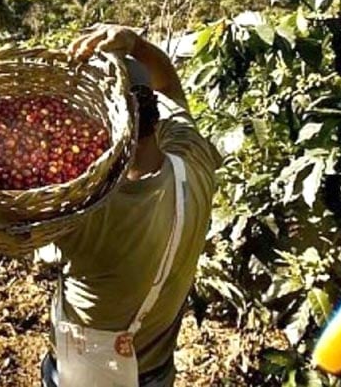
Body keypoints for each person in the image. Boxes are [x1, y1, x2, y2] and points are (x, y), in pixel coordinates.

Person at [37, 24, 222, 387]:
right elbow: (168, 85)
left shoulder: (86, 217)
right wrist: (135, 44)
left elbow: (6, 226)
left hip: (81, 378)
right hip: (157, 373)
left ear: (101, 130)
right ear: (151, 111)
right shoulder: (194, 159)